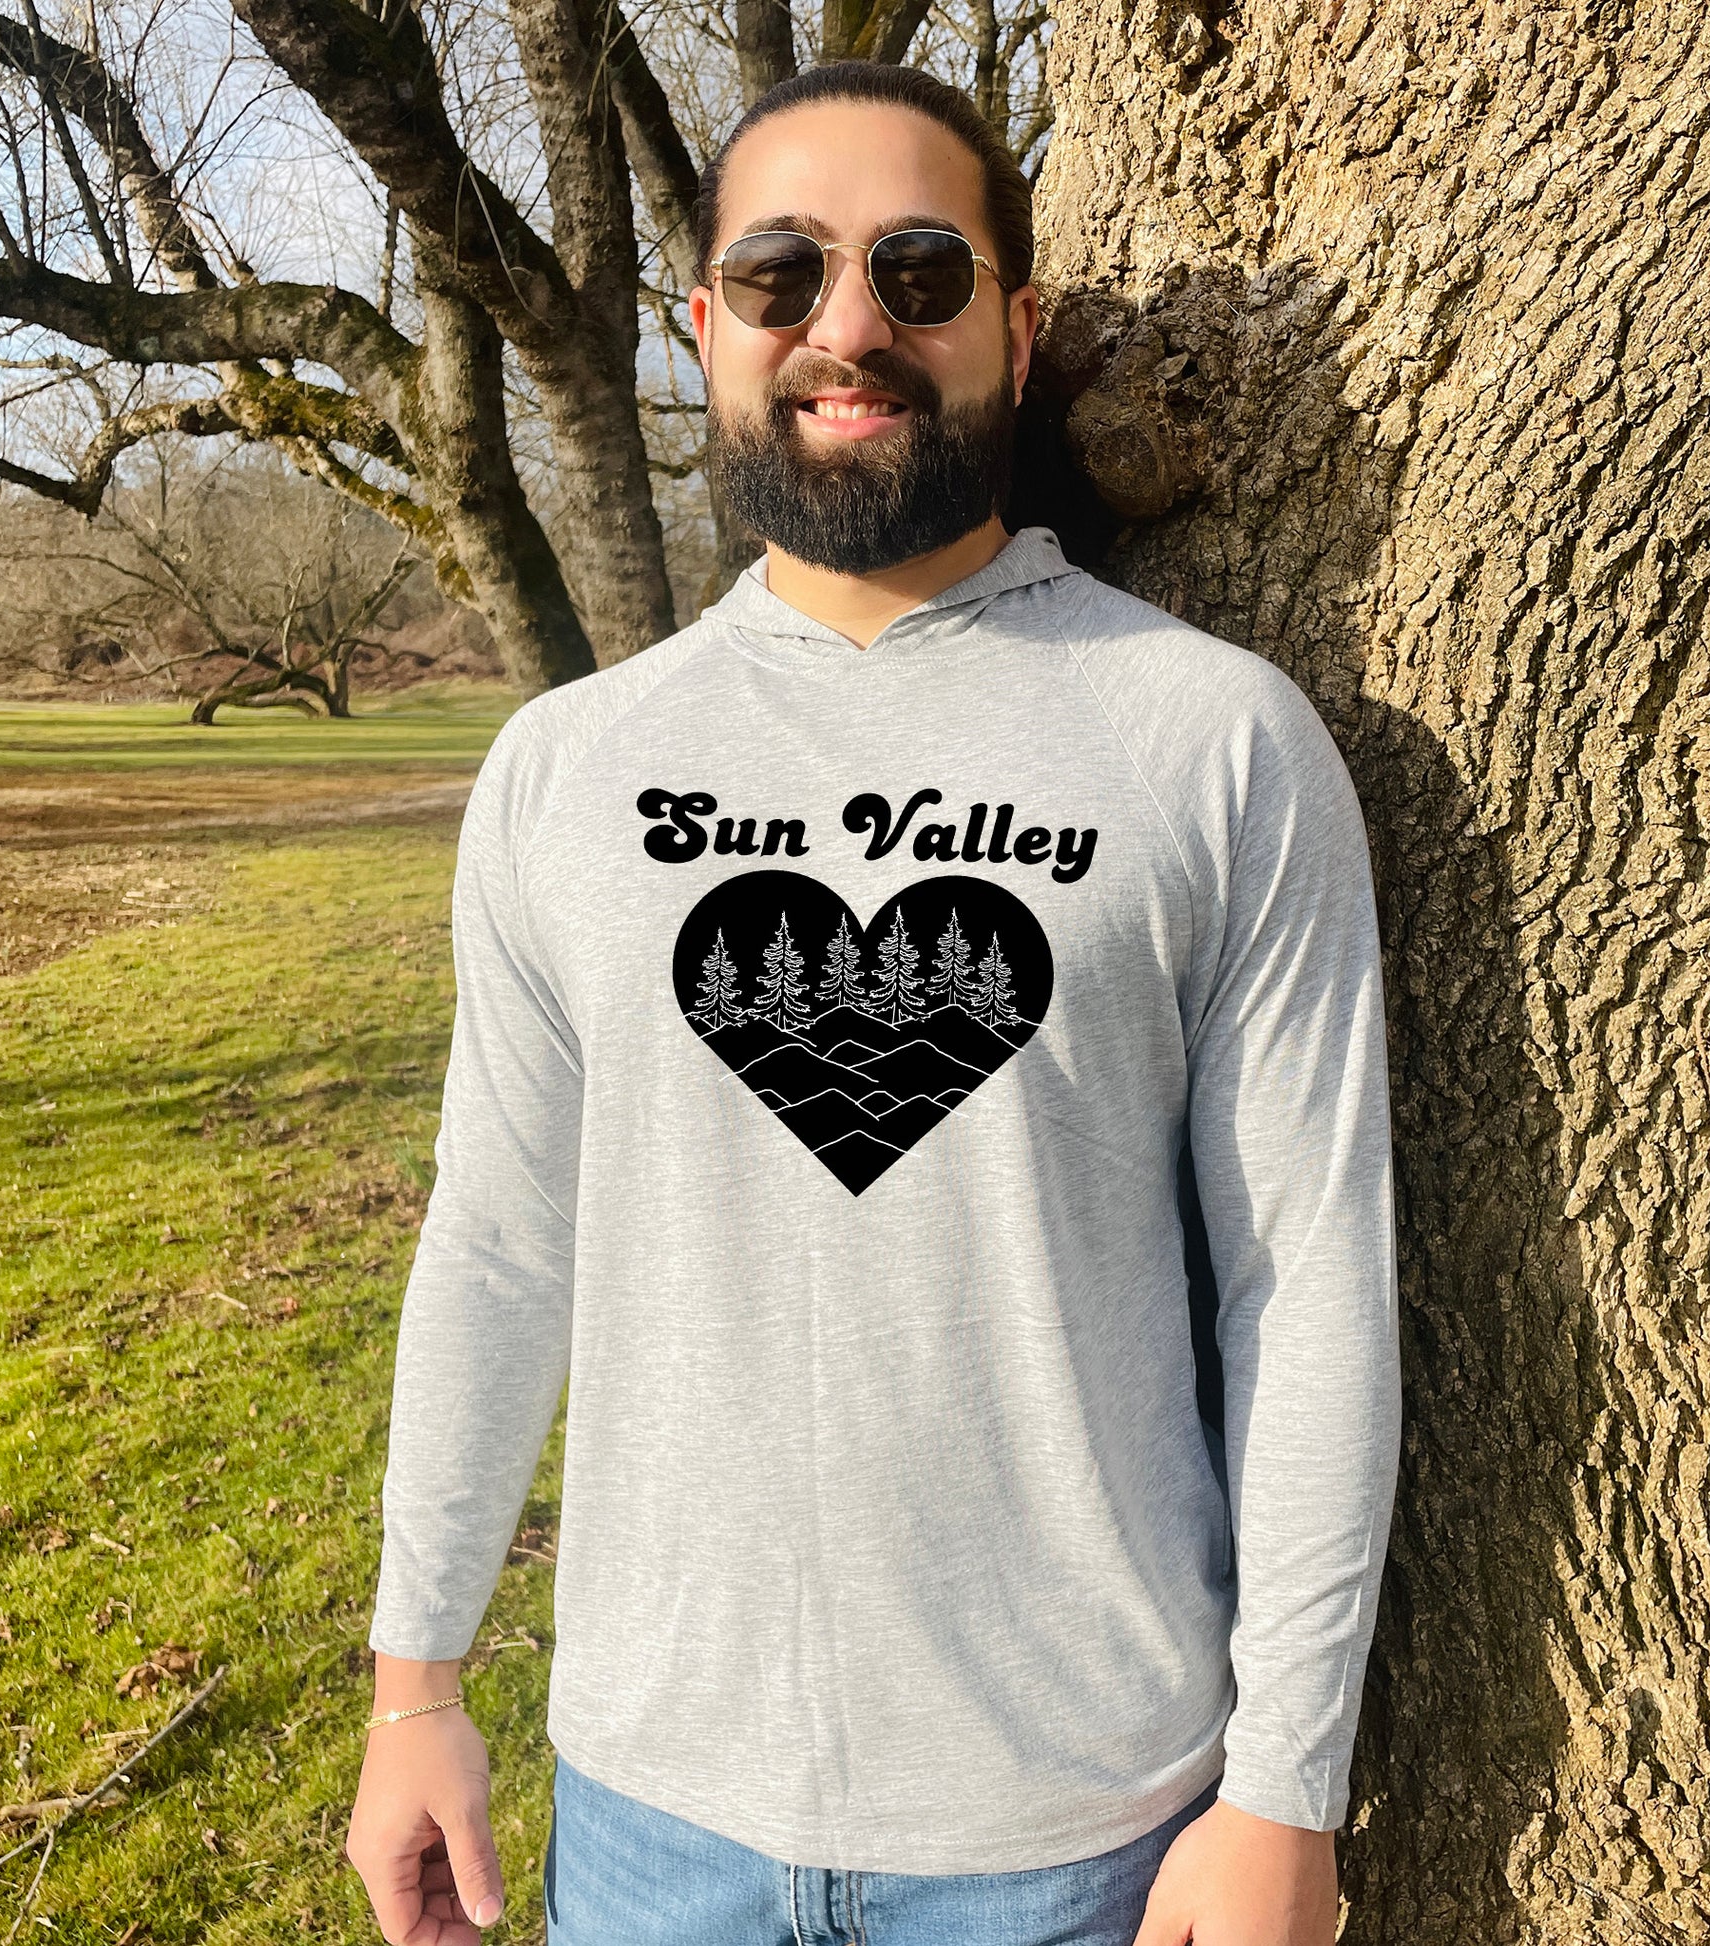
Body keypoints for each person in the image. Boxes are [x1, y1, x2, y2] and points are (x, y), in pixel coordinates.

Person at [345, 58, 1401, 1946]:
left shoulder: (1215, 742)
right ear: (705, 328)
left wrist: (1283, 1788)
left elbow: (1306, 1276)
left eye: (918, 270)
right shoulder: (564, 767)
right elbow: (498, 1247)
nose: (848, 326)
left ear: (1016, 320)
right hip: (648, 1812)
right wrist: (414, 1682)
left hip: (1089, 1826)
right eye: (780, 275)